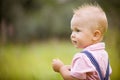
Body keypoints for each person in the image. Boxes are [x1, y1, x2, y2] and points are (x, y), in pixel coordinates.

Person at [52, 4, 112, 80]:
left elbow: (72, 78)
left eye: (77, 30)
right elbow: (93, 72)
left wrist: (61, 68)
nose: (73, 35)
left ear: (95, 35)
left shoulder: (82, 58)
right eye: (72, 30)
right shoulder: (103, 54)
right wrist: (73, 68)